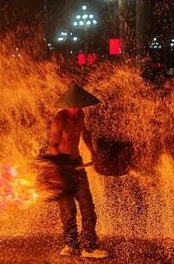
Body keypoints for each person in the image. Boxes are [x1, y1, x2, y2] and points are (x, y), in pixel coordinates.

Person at [47, 82, 108, 259]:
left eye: (79, 105)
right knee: (67, 210)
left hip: (78, 165)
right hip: (62, 166)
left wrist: (93, 153)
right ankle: (70, 245)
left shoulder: (81, 115)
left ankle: (88, 247)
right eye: (74, 105)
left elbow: (85, 134)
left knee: (88, 207)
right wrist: (60, 170)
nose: (77, 108)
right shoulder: (59, 119)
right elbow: (52, 147)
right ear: (68, 105)